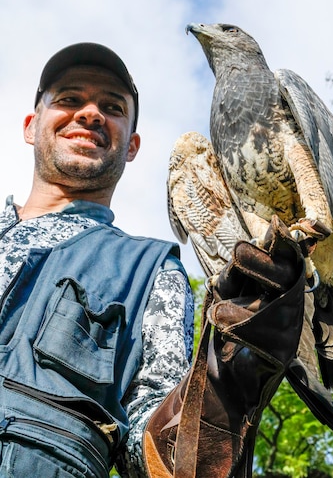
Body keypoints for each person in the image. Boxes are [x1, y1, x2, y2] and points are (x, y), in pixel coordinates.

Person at [0, 42, 305, 478]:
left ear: (132, 146)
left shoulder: (152, 271)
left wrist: (225, 383)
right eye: (69, 100)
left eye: (112, 107)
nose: (90, 113)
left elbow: (156, 460)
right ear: (31, 126)